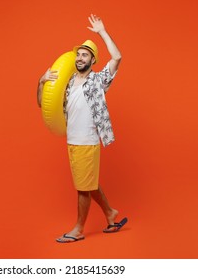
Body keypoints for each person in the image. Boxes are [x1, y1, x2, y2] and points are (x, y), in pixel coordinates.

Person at [37, 14, 127, 243]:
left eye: (84, 55)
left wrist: (102, 32)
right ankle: (110, 213)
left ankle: (78, 230)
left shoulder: (98, 81)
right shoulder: (66, 84)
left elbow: (117, 57)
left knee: (83, 188)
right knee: (88, 181)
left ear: (93, 60)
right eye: (78, 54)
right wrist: (41, 81)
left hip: (87, 140)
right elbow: (41, 103)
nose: (79, 58)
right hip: (72, 141)